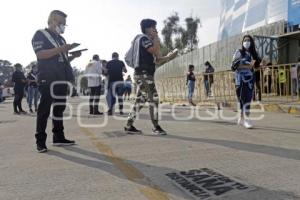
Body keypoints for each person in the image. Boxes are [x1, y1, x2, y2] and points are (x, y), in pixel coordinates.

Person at [31, 10, 81, 153]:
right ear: (52, 20)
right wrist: (61, 49)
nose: (63, 26)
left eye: (65, 24)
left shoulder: (61, 39)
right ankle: (40, 141)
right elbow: (40, 54)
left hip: (61, 78)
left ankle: (58, 137)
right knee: (44, 110)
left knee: (59, 108)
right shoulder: (40, 34)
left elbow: (61, 59)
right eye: (61, 23)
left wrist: (73, 56)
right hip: (48, 77)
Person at [124, 19, 174, 135]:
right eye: (154, 28)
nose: (156, 30)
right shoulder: (143, 38)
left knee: (140, 101)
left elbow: (157, 58)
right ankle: (156, 126)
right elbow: (154, 50)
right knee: (154, 99)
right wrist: (156, 38)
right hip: (143, 75)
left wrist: (168, 57)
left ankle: (128, 125)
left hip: (143, 74)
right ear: (148, 28)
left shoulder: (144, 40)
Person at [232, 35, 261, 129]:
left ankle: (246, 119)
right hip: (240, 79)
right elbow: (234, 66)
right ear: (242, 42)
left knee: (248, 98)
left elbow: (255, 67)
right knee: (241, 98)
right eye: (245, 40)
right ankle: (241, 116)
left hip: (249, 80)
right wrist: (246, 65)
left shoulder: (253, 54)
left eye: (248, 40)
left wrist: (259, 65)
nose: (247, 42)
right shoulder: (239, 52)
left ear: (251, 42)